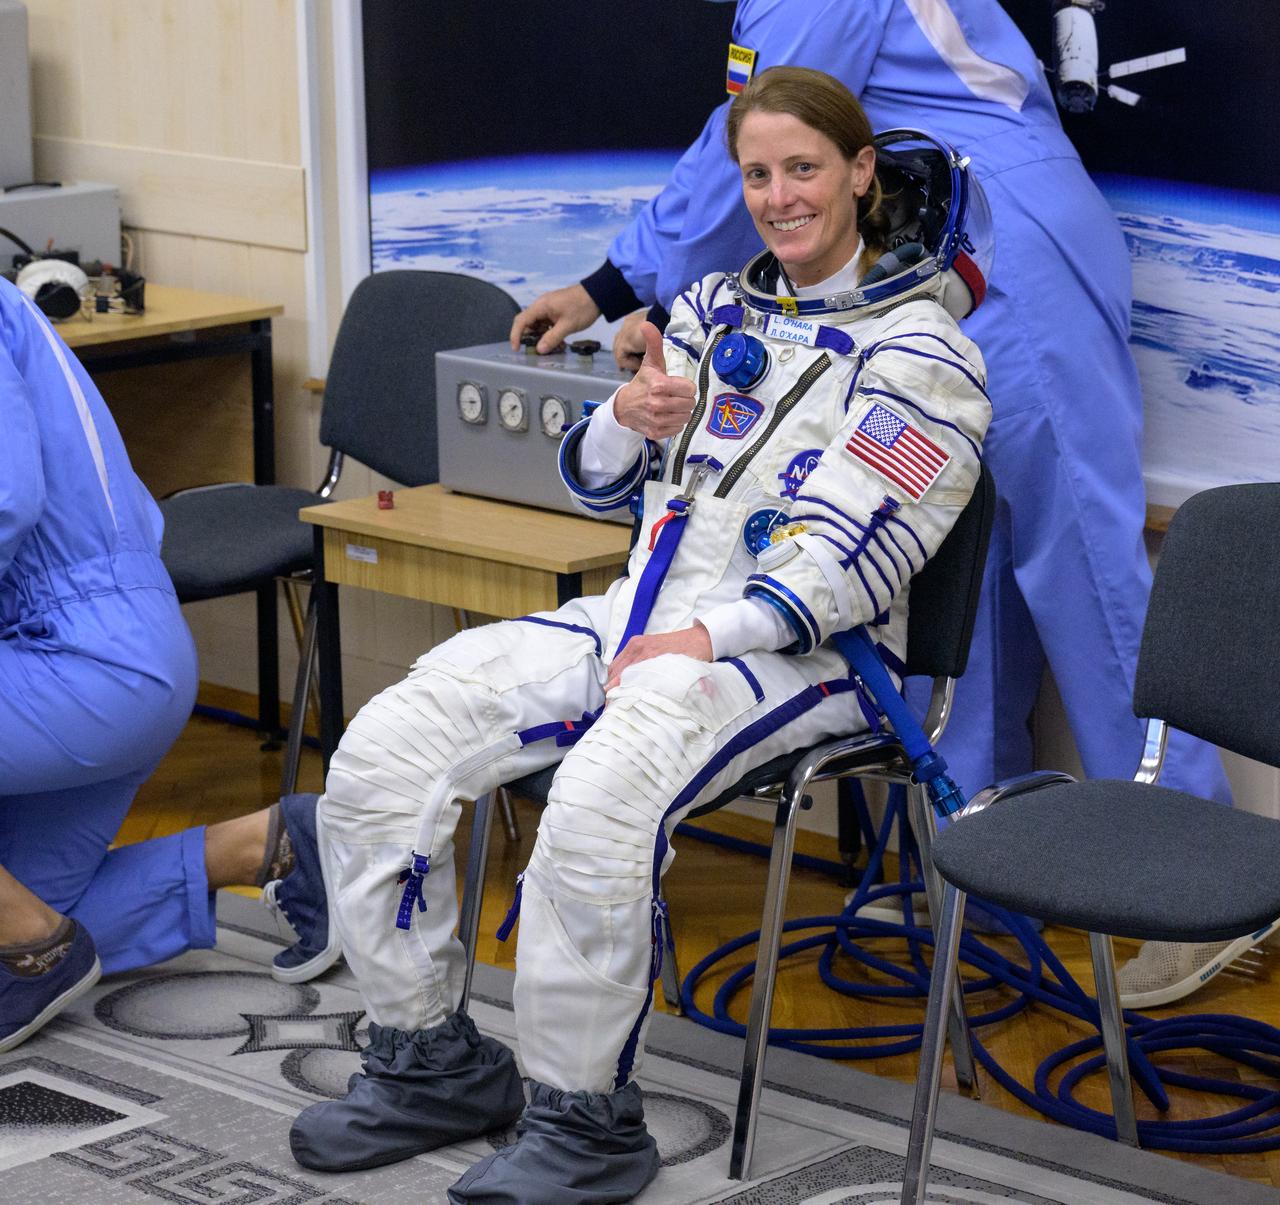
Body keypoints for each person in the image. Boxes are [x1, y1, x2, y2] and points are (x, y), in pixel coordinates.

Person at [291, 68, 991, 1202]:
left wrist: (704, 639)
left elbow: (846, 562)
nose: (777, 196)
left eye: (802, 169)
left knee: (602, 793)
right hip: (639, 618)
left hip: (810, 658)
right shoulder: (713, 312)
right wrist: (623, 418)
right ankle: (427, 1059)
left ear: (861, 173)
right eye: (756, 174)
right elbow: (606, 486)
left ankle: (584, 1122)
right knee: (392, 740)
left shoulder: (923, 357)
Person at [510, 0, 1237, 1003]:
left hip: (1008, 252)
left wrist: (612, 283)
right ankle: (975, 872)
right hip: (937, 251)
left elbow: (758, 138)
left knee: (1083, 567)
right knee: (951, 582)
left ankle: (1192, 888)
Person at [0, 276, 335, 1054]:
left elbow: (7, 497)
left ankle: (27, 939)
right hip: (118, 649)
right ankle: (266, 845)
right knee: (40, 908)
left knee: (17, 928)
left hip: (75, 658)